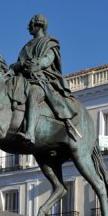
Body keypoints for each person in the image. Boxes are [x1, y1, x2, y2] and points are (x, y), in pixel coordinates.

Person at [10, 14, 77, 145]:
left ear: (38, 25)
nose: (28, 27)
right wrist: (16, 66)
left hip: (41, 80)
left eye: (31, 24)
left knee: (33, 94)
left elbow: (46, 60)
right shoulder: (26, 46)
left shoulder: (49, 43)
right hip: (23, 79)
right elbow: (20, 62)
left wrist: (34, 64)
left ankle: (30, 133)